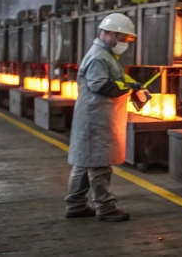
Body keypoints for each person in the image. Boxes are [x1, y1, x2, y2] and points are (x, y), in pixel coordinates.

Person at [64, 13, 146, 222]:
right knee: (99, 164)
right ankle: (105, 208)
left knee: (84, 162)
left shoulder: (107, 55)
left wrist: (134, 85)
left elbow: (116, 77)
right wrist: (129, 88)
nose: (125, 43)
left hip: (95, 116)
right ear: (109, 33)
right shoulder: (99, 56)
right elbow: (101, 85)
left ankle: (75, 205)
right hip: (96, 118)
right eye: (123, 38)